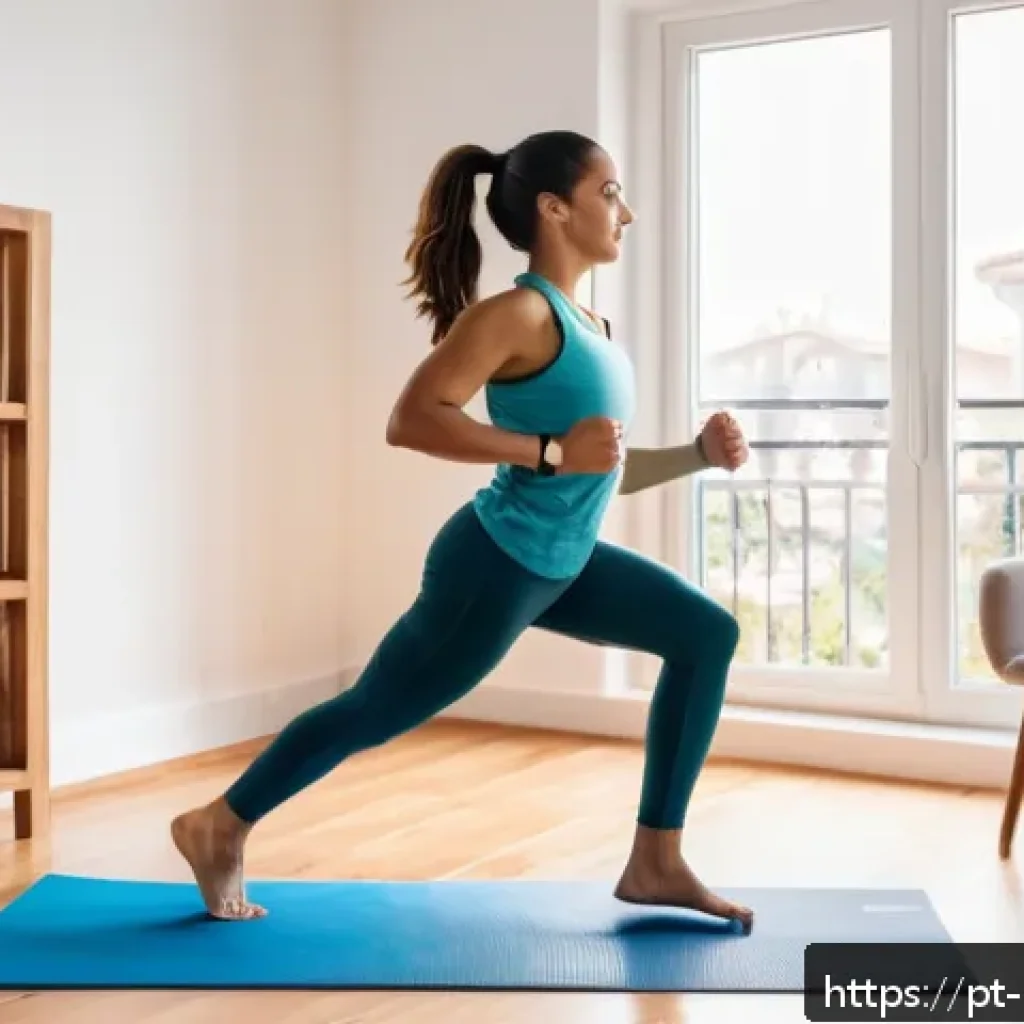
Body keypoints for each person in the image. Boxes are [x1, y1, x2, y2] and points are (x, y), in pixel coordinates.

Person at [171, 130, 754, 932]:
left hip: (564, 562)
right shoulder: (518, 314)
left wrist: (695, 456)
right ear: (554, 209)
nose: (626, 212)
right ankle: (219, 822)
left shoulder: (592, 325)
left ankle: (656, 859)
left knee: (705, 635)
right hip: (497, 564)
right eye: (609, 192)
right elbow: (411, 419)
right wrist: (549, 450)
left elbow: (596, 471)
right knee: (375, 709)